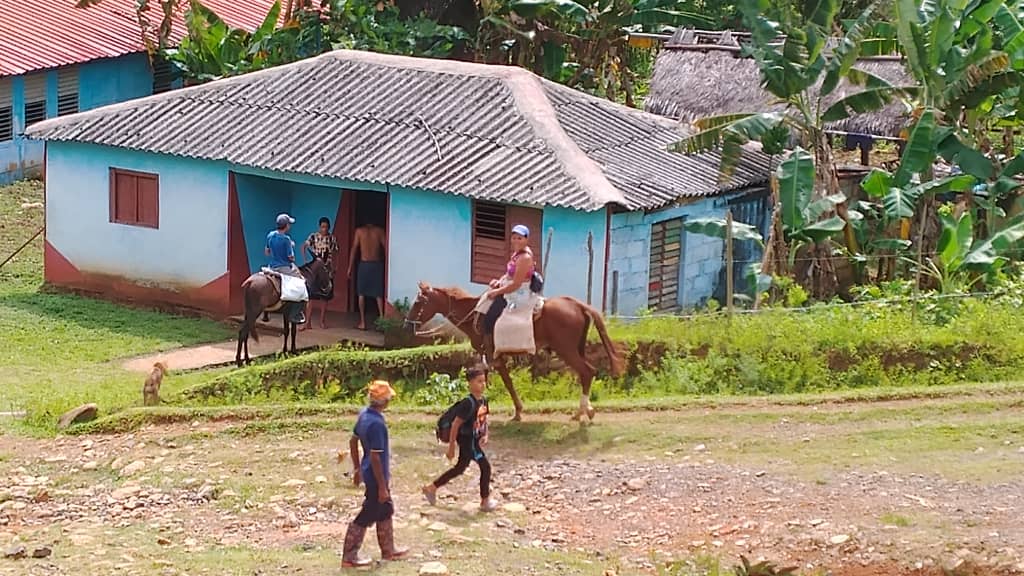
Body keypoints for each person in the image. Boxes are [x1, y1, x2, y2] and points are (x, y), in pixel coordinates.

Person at [342, 380, 409, 568]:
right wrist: (382, 486)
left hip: (368, 472)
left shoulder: (364, 415)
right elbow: (376, 458)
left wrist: (356, 469)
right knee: (368, 512)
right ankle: (350, 556)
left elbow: (353, 441)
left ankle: (389, 550)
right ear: (385, 402)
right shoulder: (377, 424)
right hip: (375, 476)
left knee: (386, 509)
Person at [421, 366, 496, 511]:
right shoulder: (467, 403)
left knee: (460, 468)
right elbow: (456, 425)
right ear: (470, 383)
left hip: (474, 439)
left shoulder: (484, 401)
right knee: (485, 467)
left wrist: (485, 434)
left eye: (484, 381)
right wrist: (451, 448)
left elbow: (483, 419)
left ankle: (431, 488)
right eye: (479, 381)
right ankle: (485, 501)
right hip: (467, 441)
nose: (483, 384)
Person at [483, 224, 536, 336]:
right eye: (514, 238)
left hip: (518, 293)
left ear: (526, 239)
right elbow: (509, 274)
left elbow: (516, 284)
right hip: (509, 287)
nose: (516, 241)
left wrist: (497, 291)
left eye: (520, 238)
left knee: (491, 315)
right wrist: (499, 281)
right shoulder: (517, 253)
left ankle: (495, 343)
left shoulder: (524, 258)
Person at [299, 217, 339, 330]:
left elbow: (336, 252)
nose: (324, 229)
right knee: (310, 296)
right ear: (319, 227)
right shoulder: (313, 236)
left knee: (325, 297)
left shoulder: (332, 238)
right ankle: (307, 323)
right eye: (322, 227)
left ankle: (322, 321)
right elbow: (303, 246)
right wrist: (306, 260)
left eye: (326, 227)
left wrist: (335, 267)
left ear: (329, 227)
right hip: (315, 270)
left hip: (327, 270)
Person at [348, 221, 387, 330]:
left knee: (361, 294)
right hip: (376, 264)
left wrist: (349, 267)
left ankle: (362, 322)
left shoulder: (359, 231)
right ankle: (382, 320)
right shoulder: (379, 231)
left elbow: (354, 249)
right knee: (378, 294)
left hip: (364, 264)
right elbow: (386, 248)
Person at [265, 213, 300, 277]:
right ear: (287, 226)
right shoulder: (286, 239)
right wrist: (290, 246)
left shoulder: (270, 235)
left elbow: (267, 252)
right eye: (289, 224)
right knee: (301, 280)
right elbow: (291, 258)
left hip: (272, 266)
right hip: (284, 268)